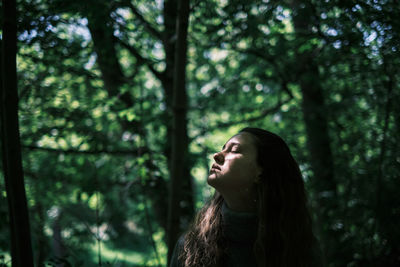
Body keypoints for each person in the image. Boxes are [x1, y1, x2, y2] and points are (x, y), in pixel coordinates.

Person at [170, 127, 322, 267]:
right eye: (223, 149)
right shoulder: (191, 247)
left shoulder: (298, 249)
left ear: (261, 172)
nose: (217, 155)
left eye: (234, 150)